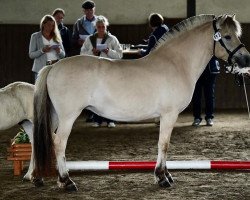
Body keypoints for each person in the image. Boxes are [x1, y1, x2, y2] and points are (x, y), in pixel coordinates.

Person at [81, 15, 123, 127]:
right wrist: (92, 52)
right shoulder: (89, 39)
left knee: (110, 95)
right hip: (94, 71)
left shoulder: (112, 39)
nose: (101, 29)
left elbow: (119, 55)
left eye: (103, 27)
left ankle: (111, 120)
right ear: (95, 27)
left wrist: (108, 51)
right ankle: (97, 119)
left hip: (109, 71)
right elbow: (82, 54)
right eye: (99, 27)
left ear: (106, 26)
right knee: (96, 96)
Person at [29, 15, 65, 81]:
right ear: (43, 24)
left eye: (53, 25)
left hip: (55, 67)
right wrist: (42, 50)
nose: (51, 27)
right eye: (48, 25)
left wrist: (59, 51)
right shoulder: (35, 36)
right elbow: (31, 55)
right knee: (40, 90)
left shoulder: (57, 36)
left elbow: (63, 55)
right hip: (40, 69)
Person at [192, 56, 220, 126]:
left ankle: (209, 117)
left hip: (211, 70)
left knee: (210, 95)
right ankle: (197, 118)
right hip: (197, 70)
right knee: (196, 96)